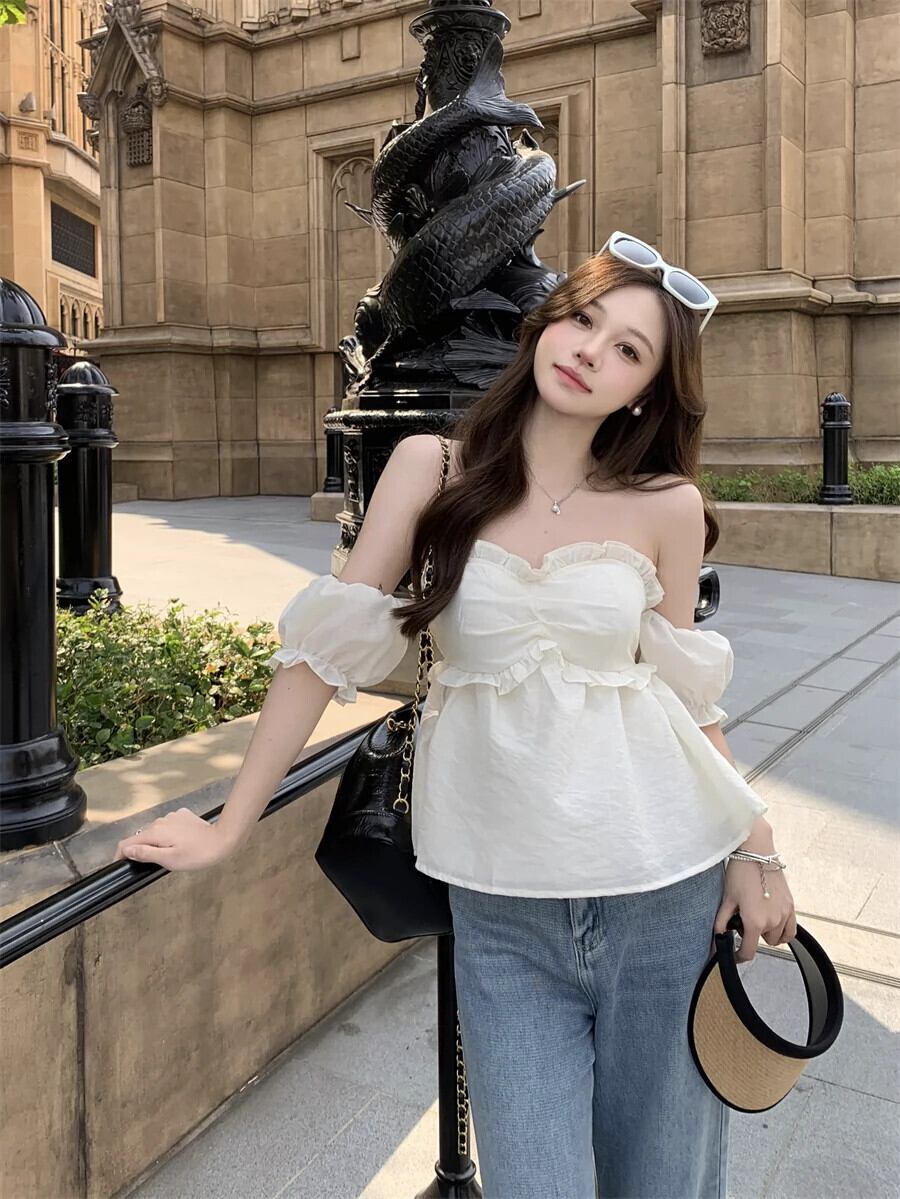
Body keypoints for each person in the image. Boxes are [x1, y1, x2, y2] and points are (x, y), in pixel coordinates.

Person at [114, 234, 797, 1199]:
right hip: (501, 906)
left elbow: (685, 697)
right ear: (547, 322)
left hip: (661, 891)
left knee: (667, 1181)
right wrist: (230, 824)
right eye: (583, 317)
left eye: (628, 349)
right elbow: (323, 649)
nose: (590, 349)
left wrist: (757, 849)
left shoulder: (666, 506)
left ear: (646, 392)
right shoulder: (432, 467)